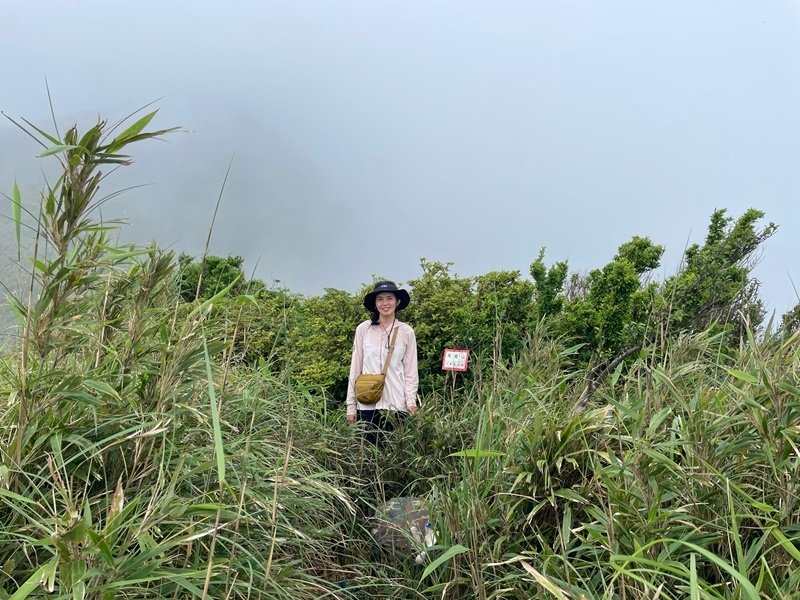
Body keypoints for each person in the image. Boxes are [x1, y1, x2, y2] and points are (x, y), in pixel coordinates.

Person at [347, 281, 419, 445]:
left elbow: (410, 370)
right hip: (367, 402)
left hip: (396, 403)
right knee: (368, 451)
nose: (385, 303)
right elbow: (355, 368)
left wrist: (410, 401)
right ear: (375, 303)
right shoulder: (363, 329)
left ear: (397, 301)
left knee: (394, 450)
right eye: (380, 299)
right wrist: (351, 406)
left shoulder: (406, 332)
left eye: (389, 298)